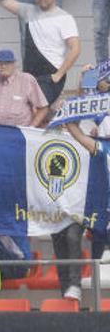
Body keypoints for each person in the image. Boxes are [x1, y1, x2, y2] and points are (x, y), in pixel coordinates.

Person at [0, 0, 80, 104]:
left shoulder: (65, 18)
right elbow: (5, 0)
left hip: (51, 74)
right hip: (29, 75)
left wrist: (58, 75)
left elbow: (76, 48)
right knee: (28, 110)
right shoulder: (28, 11)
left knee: (38, 109)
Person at [58, 121, 101, 301]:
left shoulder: (96, 146)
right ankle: (67, 289)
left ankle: (75, 284)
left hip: (89, 206)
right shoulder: (60, 154)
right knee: (60, 241)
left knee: (73, 237)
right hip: (63, 205)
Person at [0, 49, 49, 127]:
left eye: (7, 63)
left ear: (14, 64)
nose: (3, 66)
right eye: (0, 63)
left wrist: (31, 128)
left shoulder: (27, 80)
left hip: (19, 132)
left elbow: (43, 108)